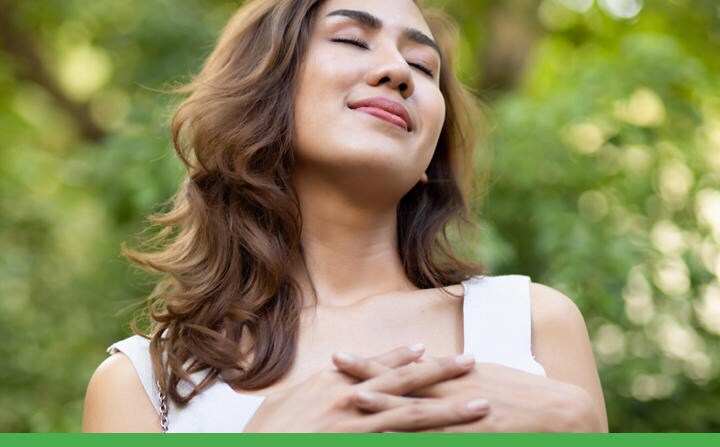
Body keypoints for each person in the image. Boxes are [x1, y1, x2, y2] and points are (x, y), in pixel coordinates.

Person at [82, 0, 607, 432]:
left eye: (424, 69)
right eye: (352, 40)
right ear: (265, 91)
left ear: (430, 158)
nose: (399, 71)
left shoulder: (535, 324)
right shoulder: (142, 387)